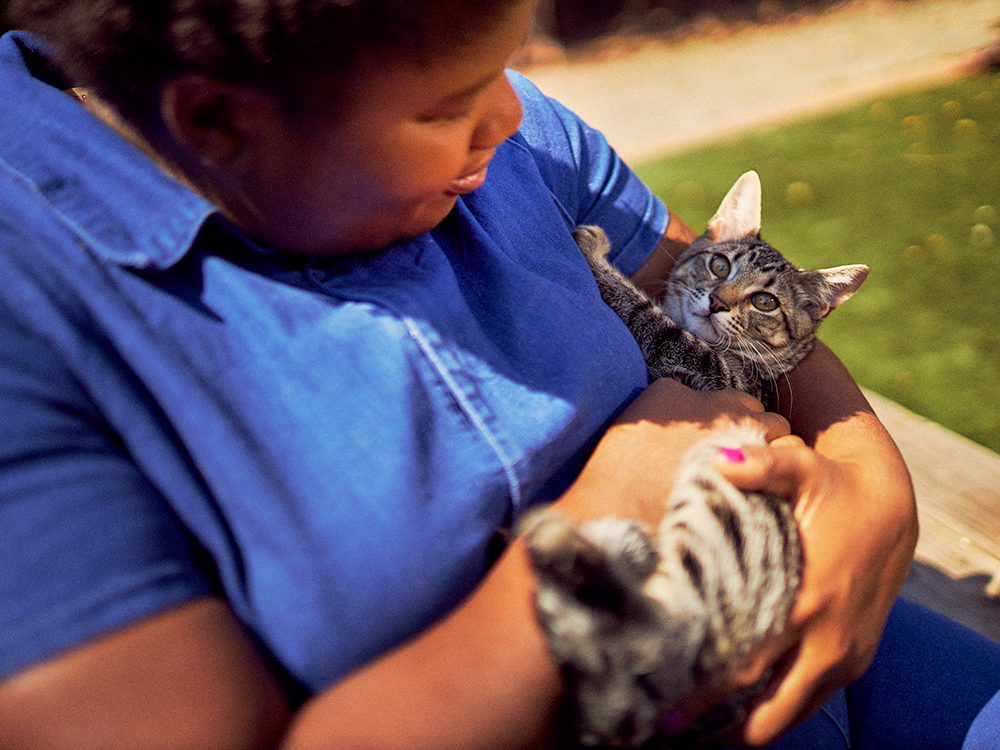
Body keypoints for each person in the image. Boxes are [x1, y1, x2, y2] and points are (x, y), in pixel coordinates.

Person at [0, 1, 997, 748]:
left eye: (509, 67)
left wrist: (869, 478)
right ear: (216, 124)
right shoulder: (27, 308)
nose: (515, 120)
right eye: (450, 105)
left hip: (836, 653)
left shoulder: (457, 93)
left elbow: (719, 282)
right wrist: (606, 520)